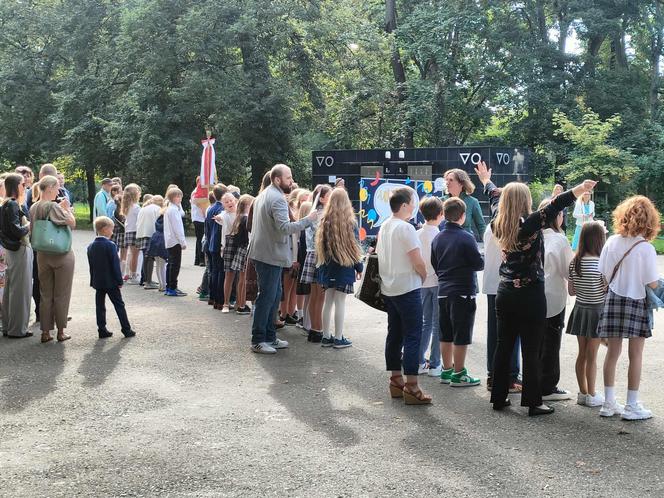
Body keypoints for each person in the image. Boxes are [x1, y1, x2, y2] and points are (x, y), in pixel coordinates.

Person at [476, 160, 595, 415]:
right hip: (530, 294)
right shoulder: (529, 224)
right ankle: (532, 402)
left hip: (505, 291)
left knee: (503, 344)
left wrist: (486, 180)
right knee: (531, 348)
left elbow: (493, 193)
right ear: (524, 201)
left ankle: (498, 397)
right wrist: (579, 188)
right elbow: (555, 205)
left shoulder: (498, 218)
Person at [597, 196, 660, 421]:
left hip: (613, 299)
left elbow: (602, 273)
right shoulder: (646, 248)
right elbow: (652, 283)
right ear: (650, 220)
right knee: (636, 355)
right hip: (636, 301)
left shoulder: (611, 241)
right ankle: (632, 405)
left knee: (612, 353)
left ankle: (608, 402)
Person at [247, 164, 318, 354]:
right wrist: (308, 219)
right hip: (270, 254)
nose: (291, 181)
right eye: (288, 178)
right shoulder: (277, 198)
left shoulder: (265, 194)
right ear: (277, 179)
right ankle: (258, 339)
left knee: (274, 295)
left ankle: (269, 337)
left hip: (266, 253)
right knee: (268, 297)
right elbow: (285, 228)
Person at [377, 187, 431, 405]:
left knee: (395, 334)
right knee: (413, 336)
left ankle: (396, 380)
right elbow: (417, 260)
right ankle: (412, 385)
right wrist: (424, 275)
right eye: (412, 202)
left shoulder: (385, 226)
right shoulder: (406, 228)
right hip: (408, 287)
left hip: (389, 287)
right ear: (405, 205)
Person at [431, 197, 484, 387]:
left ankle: (446, 370)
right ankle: (459, 373)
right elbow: (478, 263)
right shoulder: (466, 237)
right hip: (462, 290)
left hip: (443, 290)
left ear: (444, 215)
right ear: (462, 216)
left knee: (445, 333)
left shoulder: (437, 237)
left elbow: (434, 263)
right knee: (461, 334)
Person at [29, 175, 76, 343]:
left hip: (42, 254)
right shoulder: (53, 207)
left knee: (45, 294)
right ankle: (61, 331)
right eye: (57, 188)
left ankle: (45, 332)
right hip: (61, 253)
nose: (58, 191)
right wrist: (66, 208)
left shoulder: (34, 207)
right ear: (49, 188)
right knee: (61, 294)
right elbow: (71, 223)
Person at [566, 221, 607, 408]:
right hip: (597, 311)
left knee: (581, 354)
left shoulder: (574, 262)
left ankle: (582, 393)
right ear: (600, 240)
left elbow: (572, 292)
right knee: (592, 356)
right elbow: (606, 291)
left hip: (580, 310)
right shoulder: (602, 264)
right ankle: (592, 394)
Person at [316, 188, 363, 349]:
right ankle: (338, 337)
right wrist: (359, 267)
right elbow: (354, 247)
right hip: (344, 266)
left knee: (328, 301)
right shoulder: (350, 223)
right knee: (340, 302)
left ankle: (326, 336)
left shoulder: (324, 221)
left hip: (327, 267)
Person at [539, 199, 574, 401]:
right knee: (551, 342)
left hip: (532, 296)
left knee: (535, 342)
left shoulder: (533, 234)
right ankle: (548, 386)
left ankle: (534, 381)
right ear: (557, 217)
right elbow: (569, 271)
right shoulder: (559, 240)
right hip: (553, 296)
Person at [483, 223, 522, 392]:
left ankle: (493, 374)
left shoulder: (491, 226)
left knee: (495, 332)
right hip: (507, 284)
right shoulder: (512, 227)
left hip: (492, 283)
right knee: (511, 333)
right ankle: (510, 376)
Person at [88, 216, 136, 339]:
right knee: (119, 305)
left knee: (100, 306)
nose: (112, 232)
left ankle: (102, 329)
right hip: (111, 282)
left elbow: (91, 266)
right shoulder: (111, 245)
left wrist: (92, 280)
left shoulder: (91, 246)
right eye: (111, 229)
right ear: (104, 229)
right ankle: (126, 329)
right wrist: (119, 280)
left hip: (98, 281)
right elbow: (115, 265)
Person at [0, 173, 33, 338]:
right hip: (19, 248)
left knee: (10, 291)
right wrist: (28, 226)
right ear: (16, 186)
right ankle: (17, 329)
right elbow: (16, 230)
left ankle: (8, 327)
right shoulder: (13, 204)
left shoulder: (4, 203)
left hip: (10, 250)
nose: (25, 187)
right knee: (20, 291)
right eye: (22, 184)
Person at [416, 196, 443, 376]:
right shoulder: (440, 235)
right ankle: (435, 364)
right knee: (437, 324)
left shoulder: (417, 234)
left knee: (425, 323)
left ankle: (418, 361)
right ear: (441, 214)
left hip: (422, 282)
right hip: (439, 283)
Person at [300, 184, 331, 342]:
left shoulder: (312, 213)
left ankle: (314, 329)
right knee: (320, 296)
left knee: (314, 296)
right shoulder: (323, 215)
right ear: (323, 198)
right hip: (320, 256)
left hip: (310, 255)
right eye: (329, 195)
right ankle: (318, 329)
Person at [226, 194, 254, 315]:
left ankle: (239, 303)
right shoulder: (246, 218)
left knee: (241, 279)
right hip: (245, 250)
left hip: (240, 250)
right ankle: (242, 305)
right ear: (248, 205)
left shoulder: (239, 217)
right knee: (243, 279)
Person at [444, 168, 486, 241]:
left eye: (451, 180)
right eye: (446, 180)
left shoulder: (472, 201)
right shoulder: (441, 201)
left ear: (461, 183)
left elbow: (481, 226)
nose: (447, 182)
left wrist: (488, 243)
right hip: (446, 243)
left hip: (466, 242)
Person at [205, 184, 227, 308]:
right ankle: (219, 300)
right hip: (219, 243)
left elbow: (207, 228)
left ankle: (212, 297)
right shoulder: (221, 209)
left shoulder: (211, 208)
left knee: (214, 271)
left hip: (211, 243)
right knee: (220, 272)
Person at [163, 187, 187, 297]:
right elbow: (178, 228)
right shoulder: (173, 210)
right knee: (175, 265)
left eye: (180, 196)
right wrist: (182, 242)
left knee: (171, 264)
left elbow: (182, 214)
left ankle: (169, 286)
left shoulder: (171, 208)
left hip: (170, 240)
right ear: (172, 198)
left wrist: (179, 204)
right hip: (175, 241)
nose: (180, 198)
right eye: (178, 196)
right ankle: (173, 287)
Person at [136, 195, 162, 290]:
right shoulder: (158, 209)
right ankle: (148, 282)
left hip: (142, 234)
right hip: (151, 234)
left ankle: (146, 280)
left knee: (146, 258)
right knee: (150, 258)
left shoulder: (144, 208)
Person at [218, 192, 238, 313]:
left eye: (231, 200)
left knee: (241, 276)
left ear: (235, 200)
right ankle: (225, 303)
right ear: (223, 205)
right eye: (226, 202)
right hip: (229, 244)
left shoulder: (241, 213)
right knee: (229, 274)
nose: (229, 203)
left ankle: (239, 302)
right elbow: (220, 217)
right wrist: (219, 217)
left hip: (241, 244)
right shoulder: (224, 214)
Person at [120, 184, 142, 284]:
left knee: (131, 254)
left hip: (128, 231)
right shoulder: (136, 207)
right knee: (135, 255)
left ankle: (129, 274)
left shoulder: (127, 206)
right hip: (134, 231)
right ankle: (133, 275)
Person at [191, 177, 208, 266]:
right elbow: (199, 203)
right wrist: (205, 213)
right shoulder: (197, 192)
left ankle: (197, 259)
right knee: (201, 239)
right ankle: (201, 259)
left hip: (197, 218)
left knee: (199, 239)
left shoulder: (196, 191)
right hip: (199, 218)